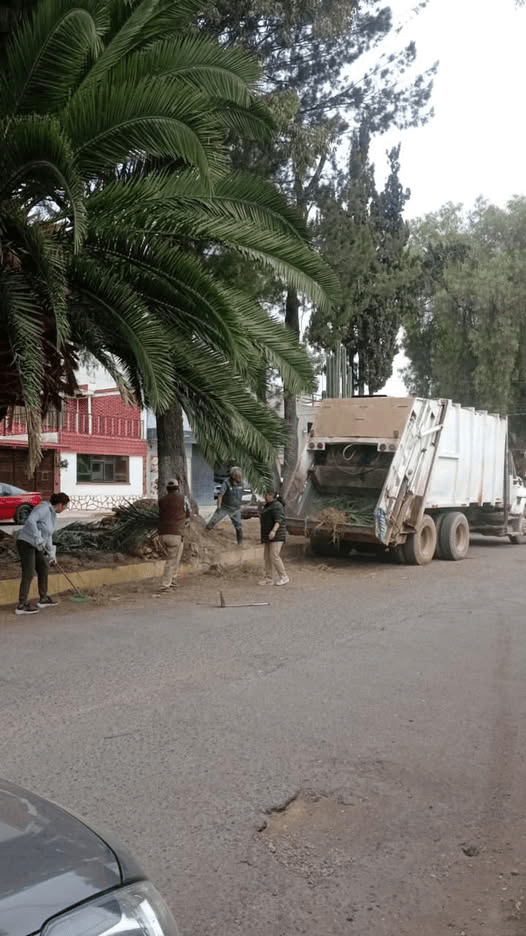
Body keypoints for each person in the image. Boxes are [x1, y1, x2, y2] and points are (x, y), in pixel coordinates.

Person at [15, 492, 70, 615]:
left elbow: (48, 535)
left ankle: (43, 599)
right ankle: (22, 605)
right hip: (26, 543)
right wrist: (37, 537)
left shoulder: (52, 515)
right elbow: (30, 520)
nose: (65, 509)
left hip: (37, 546)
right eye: (65, 506)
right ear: (60, 505)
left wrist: (52, 554)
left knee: (44, 567)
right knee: (29, 573)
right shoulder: (44, 508)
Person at [158, 478, 190, 589]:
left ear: (167, 489)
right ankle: (165, 584)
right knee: (171, 560)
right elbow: (188, 513)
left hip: (162, 534)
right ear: (178, 488)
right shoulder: (183, 499)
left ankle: (173, 579)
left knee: (176, 556)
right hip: (176, 533)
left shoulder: (162, 500)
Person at [206, 467, 244, 544]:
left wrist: (240, 505)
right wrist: (219, 505)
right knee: (213, 521)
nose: (240, 478)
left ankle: (240, 543)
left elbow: (241, 495)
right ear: (233, 477)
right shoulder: (226, 483)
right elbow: (220, 495)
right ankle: (204, 534)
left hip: (235, 509)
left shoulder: (242, 483)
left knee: (238, 526)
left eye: (240, 476)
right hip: (225, 507)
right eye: (238, 477)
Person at [259, 489, 289, 586]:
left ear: (273, 496)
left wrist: (273, 531)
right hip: (267, 535)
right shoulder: (267, 505)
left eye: (268, 494)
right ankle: (269, 578)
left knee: (274, 555)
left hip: (277, 535)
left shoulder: (277, 506)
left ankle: (284, 576)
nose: (265, 496)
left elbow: (278, 520)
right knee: (267, 557)